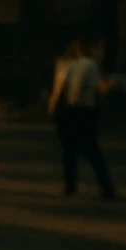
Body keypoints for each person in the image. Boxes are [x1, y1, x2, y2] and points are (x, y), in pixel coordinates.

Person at [48, 39, 115, 198]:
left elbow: (61, 87)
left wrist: (53, 107)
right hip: (86, 110)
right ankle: (105, 186)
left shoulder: (71, 65)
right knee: (92, 150)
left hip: (70, 110)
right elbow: (99, 89)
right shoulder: (91, 65)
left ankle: (70, 185)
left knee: (69, 150)